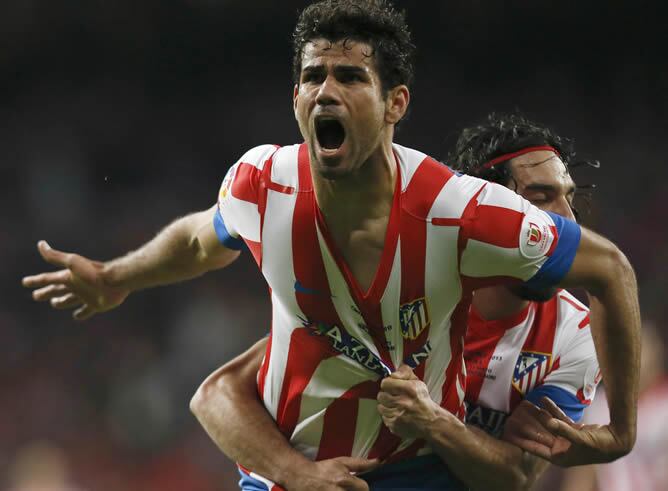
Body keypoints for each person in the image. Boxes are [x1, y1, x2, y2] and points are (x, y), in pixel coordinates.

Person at [22, 1, 639, 489]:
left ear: (396, 102)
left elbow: (609, 265)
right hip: (286, 475)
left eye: (350, 76)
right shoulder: (262, 184)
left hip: (417, 474)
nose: (326, 91)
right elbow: (197, 241)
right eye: (312, 76)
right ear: (295, 97)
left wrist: (621, 435)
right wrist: (115, 278)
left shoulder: (459, 214)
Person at [192, 113, 602, 491]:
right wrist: (299, 475)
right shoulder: (412, 284)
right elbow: (217, 394)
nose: (566, 219)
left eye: (568, 197)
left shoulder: (575, 334)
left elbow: (516, 478)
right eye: (542, 197)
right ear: (499, 210)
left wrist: (433, 421)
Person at [559, 321, 668, 491]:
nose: (635, 360)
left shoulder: (664, 406)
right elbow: (585, 473)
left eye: (643, 350)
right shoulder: (599, 406)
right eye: (627, 352)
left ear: (657, 353)